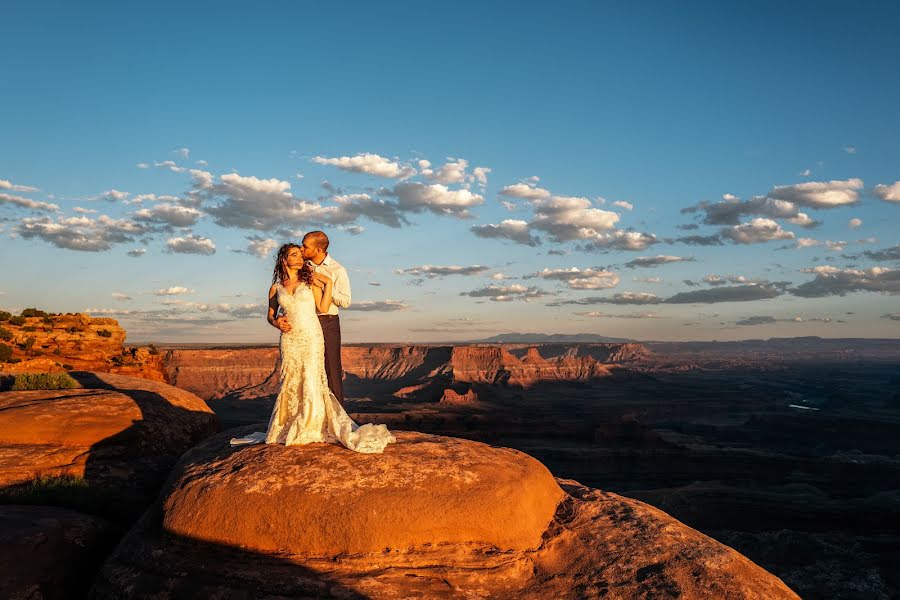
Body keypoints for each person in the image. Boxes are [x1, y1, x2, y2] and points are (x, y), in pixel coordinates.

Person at [230, 242, 394, 453]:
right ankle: (289, 423)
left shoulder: (310, 281)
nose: (300, 258)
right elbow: (270, 315)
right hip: (289, 339)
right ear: (284, 260)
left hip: (311, 336)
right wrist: (277, 322)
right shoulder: (275, 288)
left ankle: (311, 425)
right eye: (295, 255)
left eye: (301, 254)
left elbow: (323, 308)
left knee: (312, 377)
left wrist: (327, 284)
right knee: (291, 378)